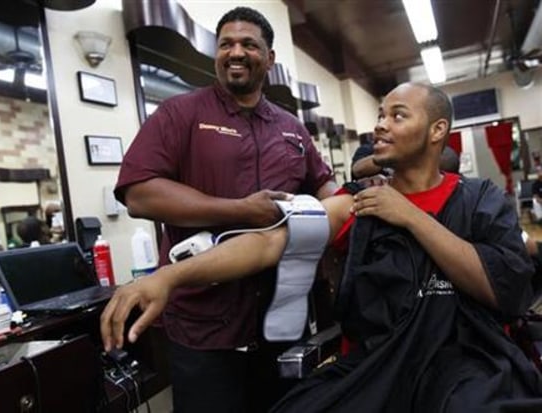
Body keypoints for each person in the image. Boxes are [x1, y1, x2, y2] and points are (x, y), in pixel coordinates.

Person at [103, 82, 542, 412]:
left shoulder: (480, 199)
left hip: (466, 361)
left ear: (436, 130)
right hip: (378, 367)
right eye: (380, 115)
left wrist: (409, 215)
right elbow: (267, 244)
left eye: (397, 116)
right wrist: (170, 276)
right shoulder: (354, 202)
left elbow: (500, 287)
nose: (380, 125)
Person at [112, 6, 336, 413]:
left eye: (248, 44)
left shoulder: (292, 127)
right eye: (226, 44)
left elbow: (323, 183)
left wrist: (338, 210)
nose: (235, 52)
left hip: (283, 315)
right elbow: (138, 194)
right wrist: (240, 211)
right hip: (204, 328)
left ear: (269, 59)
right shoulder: (181, 114)